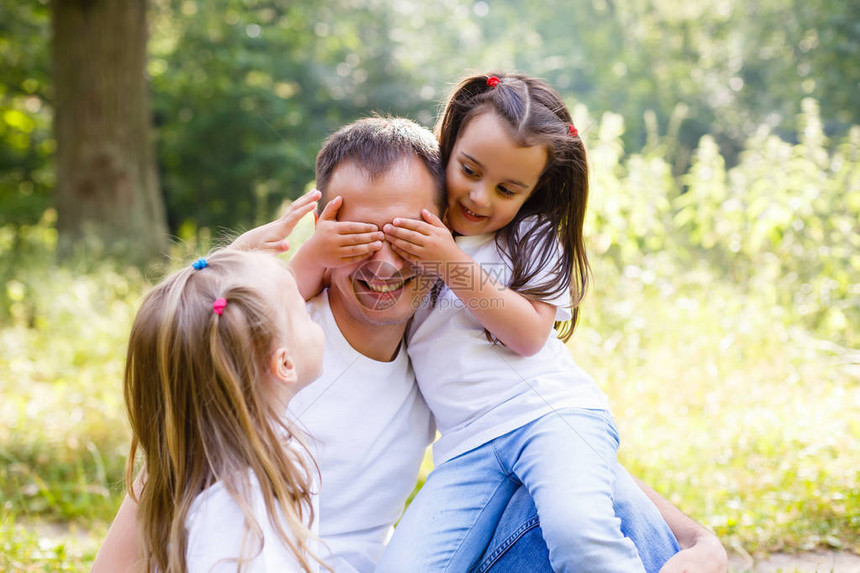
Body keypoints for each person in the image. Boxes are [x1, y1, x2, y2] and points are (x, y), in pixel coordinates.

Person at [93, 117, 727, 573]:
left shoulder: (442, 333)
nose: (385, 264)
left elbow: (555, 432)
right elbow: (162, 482)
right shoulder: (273, 346)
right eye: (361, 237)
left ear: (445, 231)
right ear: (325, 225)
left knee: (559, 503)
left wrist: (698, 539)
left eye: (408, 235)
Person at [121, 248, 326, 572]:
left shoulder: (226, 460)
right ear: (284, 363)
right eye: (302, 310)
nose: (312, 311)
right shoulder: (233, 504)